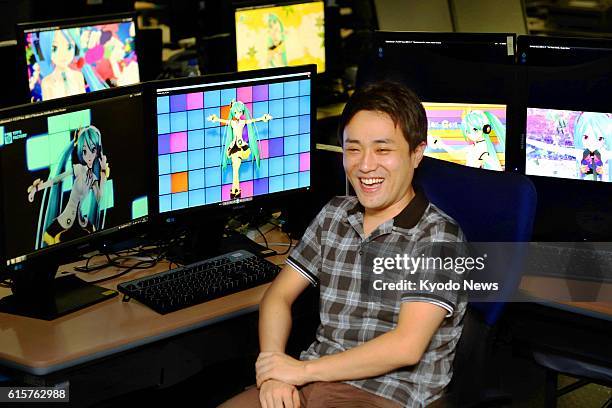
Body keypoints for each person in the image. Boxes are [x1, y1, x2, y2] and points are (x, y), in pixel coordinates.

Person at [220, 82, 466, 408]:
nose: (364, 165)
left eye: (383, 150)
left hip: (386, 393)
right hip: (311, 379)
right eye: (353, 149)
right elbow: (277, 297)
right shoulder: (336, 213)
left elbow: (405, 346)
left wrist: (300, 369)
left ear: (416, 153)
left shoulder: (438, 237)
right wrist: (274, 367)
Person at [27, 125, 109, 248]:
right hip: (74, 220)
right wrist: (37, 188)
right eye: (84, 151)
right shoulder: (80, 169)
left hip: (74, 220)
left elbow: (99, 197)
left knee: (52, 237)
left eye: (93, 150)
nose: (89, 156)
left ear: (97, 151)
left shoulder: (91, 177)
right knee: (50, 237)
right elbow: (56, 180)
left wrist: (103, 171)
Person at [208, 100, 272, 199]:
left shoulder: (242, 122)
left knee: (235, 169)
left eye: (240, 112)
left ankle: (235, 190)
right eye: (236, 112)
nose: (238, 114)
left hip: (241, 147)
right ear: (233, 112)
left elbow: (252, 120)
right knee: (235, 169)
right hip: (234, 147)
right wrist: (215, 119)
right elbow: (223, 121)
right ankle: (235, 189)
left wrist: (263, 118)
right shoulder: (232, 122)